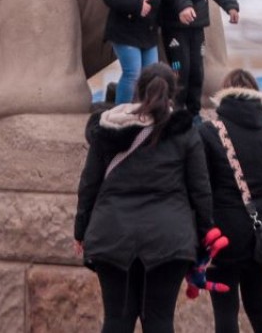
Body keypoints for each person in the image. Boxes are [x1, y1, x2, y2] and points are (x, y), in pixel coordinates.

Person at [75, 63, 217, 333]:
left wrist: (80, 230)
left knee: (117, 319)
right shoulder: (186, 131)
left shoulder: (107, 127)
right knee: (159, 321)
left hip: (112, 231)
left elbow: (89, 183)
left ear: (137, 89)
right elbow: (201, 189)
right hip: (169, 235)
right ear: (172, 93)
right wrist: (204, 234)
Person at [199, 68, 262, 333]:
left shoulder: (209, 133)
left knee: (226, 310)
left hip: (223, 233)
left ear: (224, 96)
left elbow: (202, 188)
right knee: (259, 306)